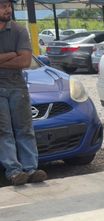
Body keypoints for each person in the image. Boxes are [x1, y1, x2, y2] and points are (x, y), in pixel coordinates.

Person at [0, 0, 46, 186]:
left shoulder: (19, 30)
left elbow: (25, 61)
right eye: (3, 6)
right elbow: (18, 58)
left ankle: (31, 169)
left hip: (17, 87)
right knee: (3, 131)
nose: (7, 9)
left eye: (8, 6)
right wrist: (12, 54)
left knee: (25, 129)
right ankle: (14, 172)